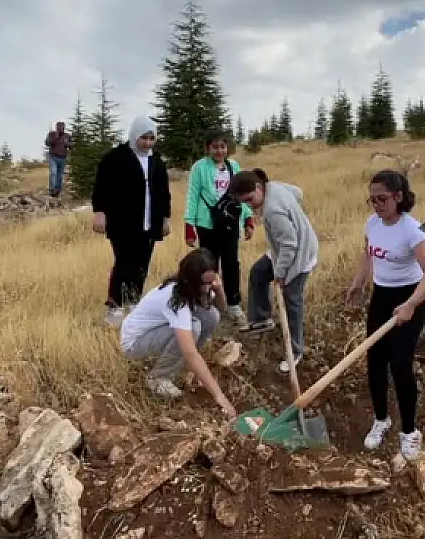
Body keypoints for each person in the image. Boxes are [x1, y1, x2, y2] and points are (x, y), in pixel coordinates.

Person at [345, 170, 425, 461]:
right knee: (374, 360)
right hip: (382, 295)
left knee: (400, 364)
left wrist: (411, 304)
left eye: (382, 198)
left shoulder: (411, 230)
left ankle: (410, 431)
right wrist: (359, 282)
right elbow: (368, 253)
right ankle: (381, 418)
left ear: (398, 197)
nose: (376, 205)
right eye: (372, 199)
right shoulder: (372, 223)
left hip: (411, 296)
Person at [119, 248, 237, 416]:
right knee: (193, 327)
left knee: (211, 315)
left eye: (211, 282)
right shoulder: (174, 298)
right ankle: (158, 378)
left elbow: (222, 309)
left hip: (157, 332)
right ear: (191, 281)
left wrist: (218, 289)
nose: (207, 288)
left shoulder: (196, 287)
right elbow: (189, 351)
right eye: (205, 283)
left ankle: (186, 366)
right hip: (135, 343)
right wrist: (219, 396)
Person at [229, 168, 318, 374]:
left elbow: (290, 245)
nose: (249, 206)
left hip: (299, 255)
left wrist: (280, 274)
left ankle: (296, 350)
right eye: (245, 202)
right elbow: (298, 193)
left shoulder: (272, 211)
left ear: (259, 188)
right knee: (258, 273)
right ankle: (261, 319)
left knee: (291, 300)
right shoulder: (273, 186)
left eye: (250, 199)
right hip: (282, 250)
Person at [91, 116, 172, 326]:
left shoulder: (157, 162)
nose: (147, 143)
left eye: (151, 138)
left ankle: (134, 301)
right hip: (122, 222)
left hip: (149, 221)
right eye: (144, 138)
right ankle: (115, 305)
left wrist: (164, 218)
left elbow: (163, 192)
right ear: (135, 135)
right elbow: (102, 187)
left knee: (142, 263)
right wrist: (100, 212)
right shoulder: (115, 158)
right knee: (124, 262)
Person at [183, 129, 255, 327]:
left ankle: (233, 304)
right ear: (208, 148)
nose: (219, 151)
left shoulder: (234, 166)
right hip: (207, 224)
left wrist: (248, 219)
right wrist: (189, 225)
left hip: (231, 223)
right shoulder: (199, 168)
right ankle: (208, 303)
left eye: (223, 147)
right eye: (215, 147)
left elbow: (243, 195)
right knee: (207, 265)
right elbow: (192, 196)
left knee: (232, 264)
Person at [45, 121, 72, 196]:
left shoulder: (67, 136)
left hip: (62, 158)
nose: (61, 128)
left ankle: (57, 190)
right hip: (53, 157)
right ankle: (52, 190)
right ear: (56, 127)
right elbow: (47, 143)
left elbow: (71, 146)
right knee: (53, 173)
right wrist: (55, 137)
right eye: (59, 127)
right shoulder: (51, 134)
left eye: (63, 127)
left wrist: (68, 144)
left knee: (60, 175)